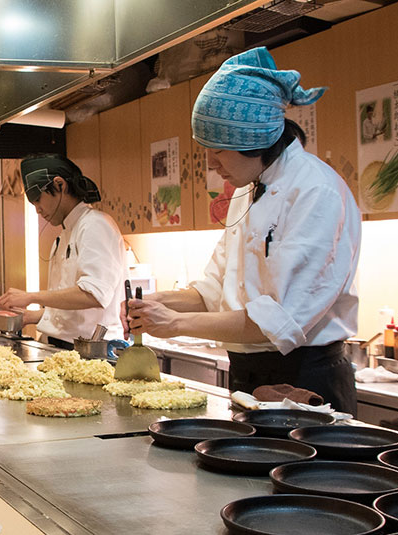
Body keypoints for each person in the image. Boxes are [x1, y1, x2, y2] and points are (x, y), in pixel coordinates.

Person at [123, 47, 361, 415]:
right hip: (248, 374)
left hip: (304, 377)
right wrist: (157, 303)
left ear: (254, 140)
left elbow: (276, 321)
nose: (210, 163)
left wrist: (176, 323)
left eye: (218, 150)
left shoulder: (316, 191)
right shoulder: (248, 188)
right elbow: (214, 290)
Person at [0, 154, 126, 349]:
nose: (37, 209)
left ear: (59, 185)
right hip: (63, 347)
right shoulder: (65, 234)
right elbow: (72, 311)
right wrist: (29, 316)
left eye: (38, 199)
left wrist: (31, 296)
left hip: (91, 351)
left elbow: (93, 294)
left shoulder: (95, 225)